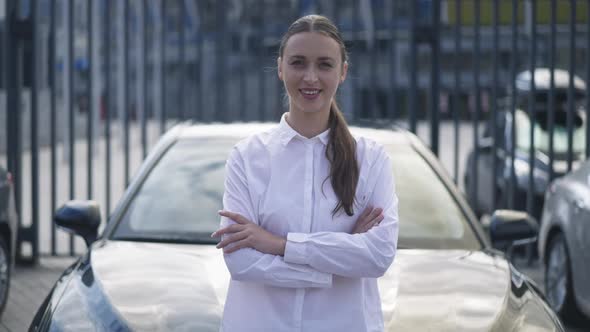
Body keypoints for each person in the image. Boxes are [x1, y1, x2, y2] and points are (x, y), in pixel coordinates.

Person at [211, 14, 399, 332]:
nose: (310, 77)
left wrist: (279, 244)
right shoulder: (247, 157)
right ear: (281, 67)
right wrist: (338, 259)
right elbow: (240, 261)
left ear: (343, 72)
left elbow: (378, 255)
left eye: (324, 64)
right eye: (299, 63)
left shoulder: (371, 160)